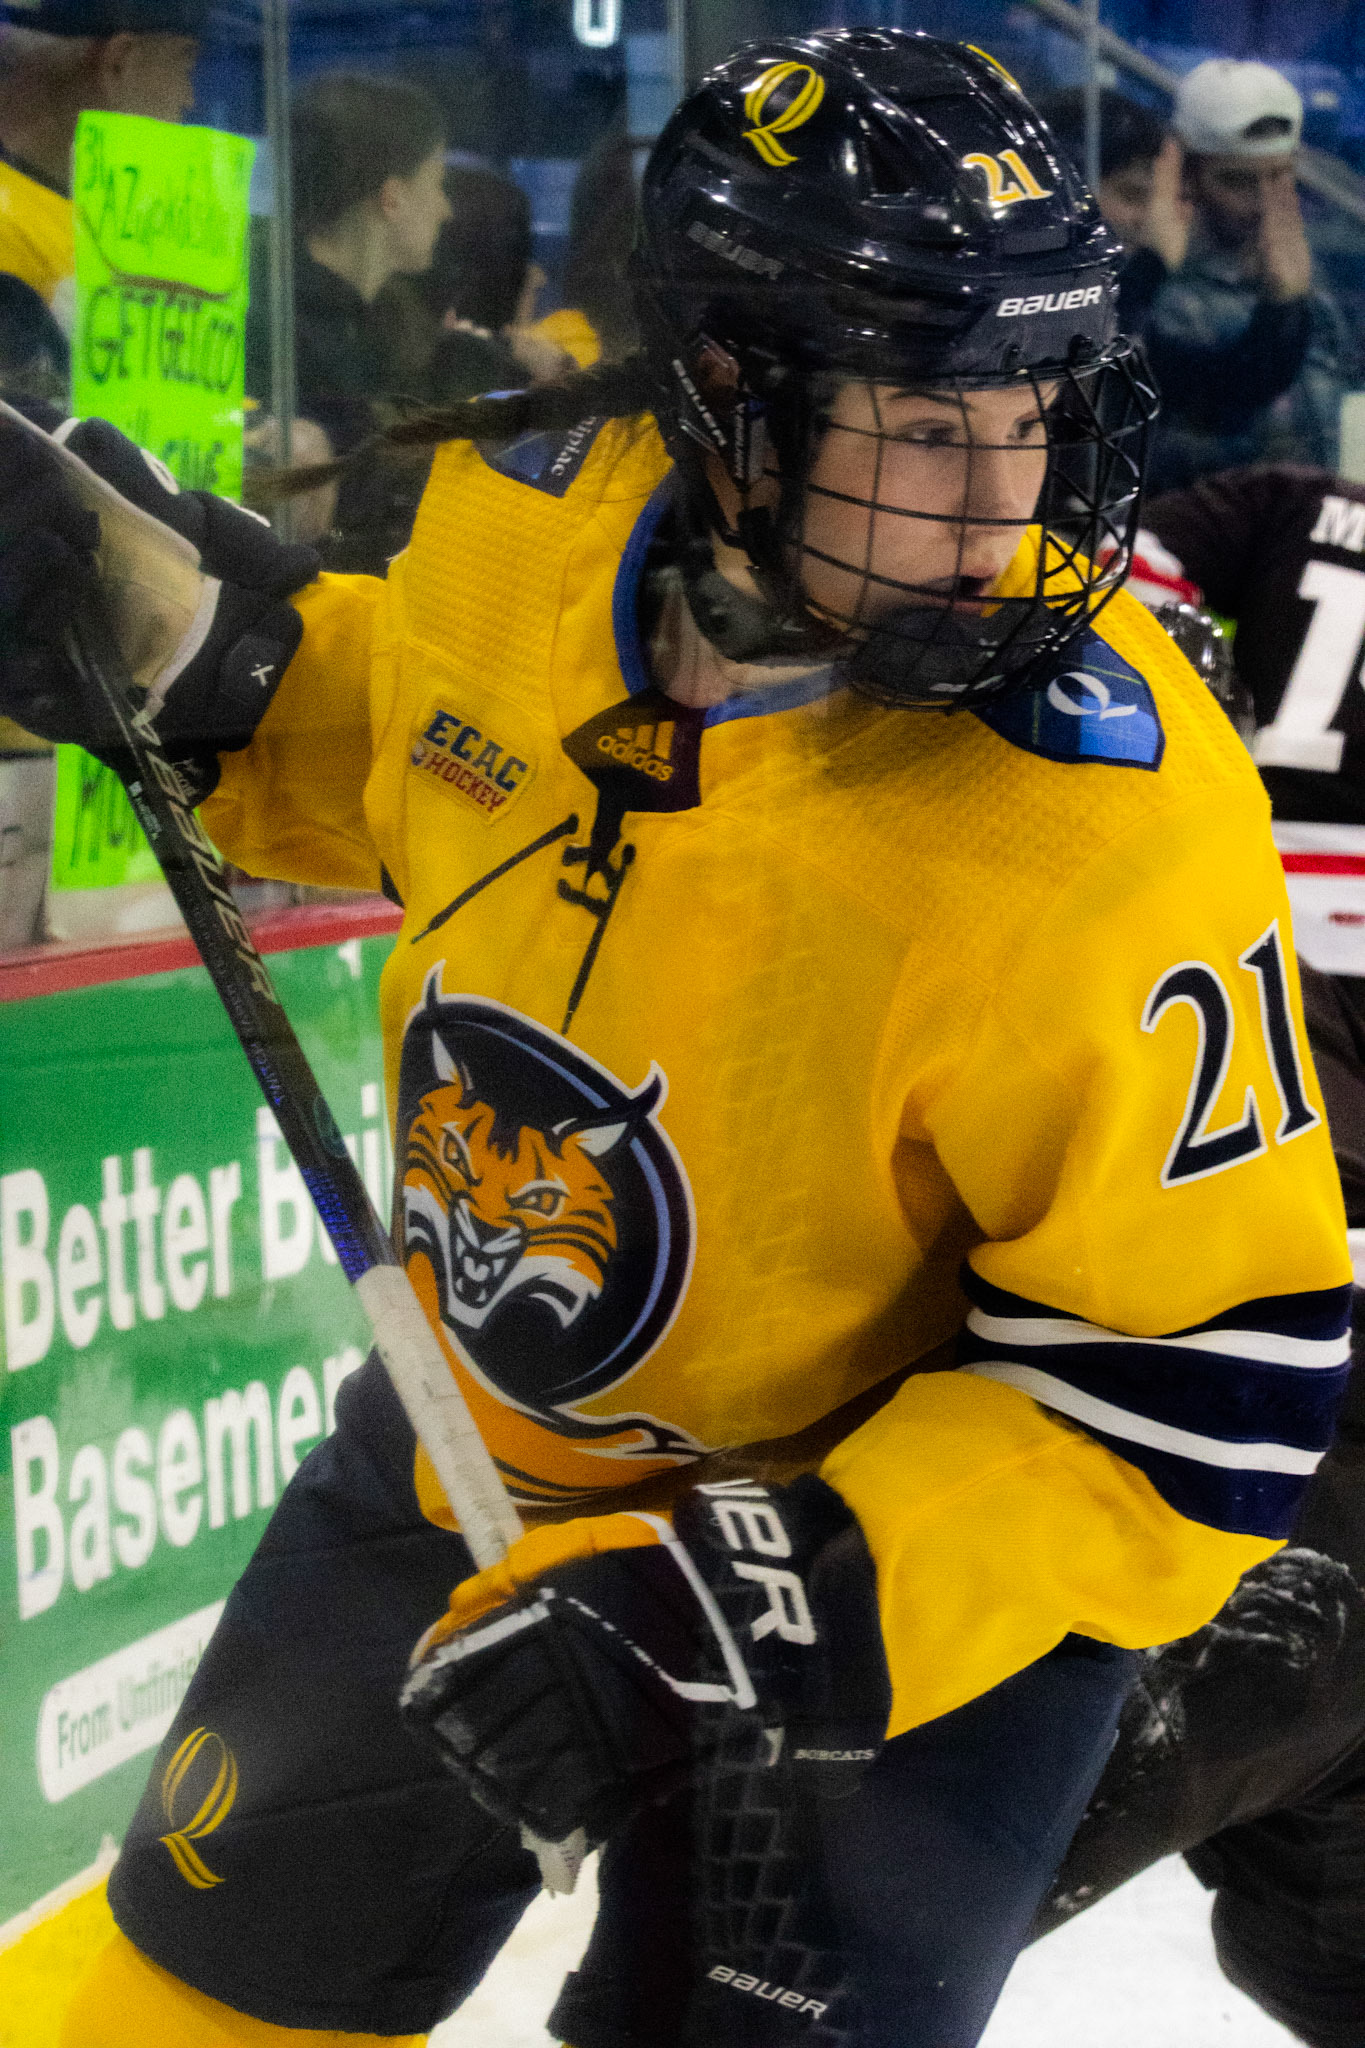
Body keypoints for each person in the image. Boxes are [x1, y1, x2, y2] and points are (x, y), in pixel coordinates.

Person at [0, 31, 1350, 2048]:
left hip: (868, 1587)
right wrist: (186, 642)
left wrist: (750, 1598)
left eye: (1035, 417)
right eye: (928, 427)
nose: (1005, 512)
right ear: (732, 397)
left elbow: (1203, 1388)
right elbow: (422, 748)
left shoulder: (1111, 813)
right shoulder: (522, 513)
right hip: (473, 1454)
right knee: (171, 2016)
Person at [1132, 59, 1355, 492]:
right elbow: (1220, 402)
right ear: (1186, 175)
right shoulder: (1154, 296)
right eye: (1238, 181)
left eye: (1281, 176)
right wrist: (1282, 304)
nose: (1264, 204)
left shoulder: (1316, 287)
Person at [0, 0, 202, 383]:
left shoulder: (68, 216)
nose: (189, 98)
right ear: (119, 62)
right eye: (185, 65)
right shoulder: (15, 229)